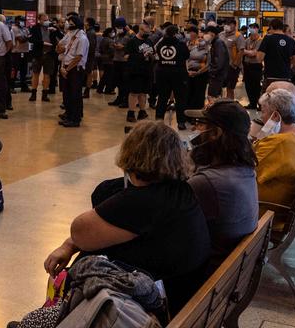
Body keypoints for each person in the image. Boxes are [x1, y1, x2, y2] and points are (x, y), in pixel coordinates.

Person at [42, 121, 211, 313]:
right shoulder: (180, 192)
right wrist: (69, 245)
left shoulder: (144, 202)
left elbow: (80, 232)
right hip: (183, 299)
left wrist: (70, 244)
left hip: (152, 313)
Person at [185, 100, 259, 263]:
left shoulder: (207, 183)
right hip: (228, 267)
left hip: (204, 274)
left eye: (200, 124)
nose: (194, 129)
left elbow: (172, 221)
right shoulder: (245, 168)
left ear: (216, 133)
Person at [252, 87, 295, 207]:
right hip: (283, 207)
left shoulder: (276, 143)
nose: (262, 117)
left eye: (263, 112)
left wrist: (260, 137)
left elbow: (246, 170)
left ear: (276, 116)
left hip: (264, 211)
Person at [152, 25, 190, 130]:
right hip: (178, 74)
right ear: (176, 34)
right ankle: (181, 122)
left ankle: (158, 120)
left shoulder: (160, 44)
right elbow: (187, 55)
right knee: (180, 99)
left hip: (162, 74)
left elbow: (157, 55)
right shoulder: (180, 44)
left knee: (162, 98)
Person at [58, 15, 90, 128]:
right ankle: (69, 115)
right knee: (67, 94)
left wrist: (67, 69)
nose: (69, 26)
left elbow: (78, 57)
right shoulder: (71, 35)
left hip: (75, 69)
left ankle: (75, 119)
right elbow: (63, 51)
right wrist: (63, 67)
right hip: (66, 67)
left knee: (75, 94)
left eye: (71, 24)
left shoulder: (82, 38)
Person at [123, 20, 153, 123]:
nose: (146, 34)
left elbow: (152, 52)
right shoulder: (132, 41)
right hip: (135, 71)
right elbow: (126, 56)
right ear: (140, 30)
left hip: (146, 71)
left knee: (143, 93)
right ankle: (131, 113)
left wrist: (152, 56)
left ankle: (142, 111)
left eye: (148, 32)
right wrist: (141, 56)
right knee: (134, 92)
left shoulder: (149, 41)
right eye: (145, 32)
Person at [256, 19, 295, 87]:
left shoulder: (267, 39)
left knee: (270, 97)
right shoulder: (291, 41)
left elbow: (259, 59)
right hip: (286, 77)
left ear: (271, 27)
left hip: (270, 76)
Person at [28, 13, 55, 102]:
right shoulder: (35, 28)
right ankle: (33, 93)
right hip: (38, 54)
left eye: (47, 20)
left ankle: (45, 94)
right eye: (44, 20)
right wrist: (42, 43)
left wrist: (56, 30)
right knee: (35, 73)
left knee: (47, 75)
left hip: (49, 54)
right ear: (39, 20)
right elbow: (31, 39)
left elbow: (59, 37)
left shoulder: (52, 29)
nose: (46, 21)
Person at [239, 25, 264, 107]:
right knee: (248, 85)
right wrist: (247, 52)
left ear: (257, 30)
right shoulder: (247, 40)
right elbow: (241, 51)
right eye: (251, 28)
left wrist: (245, 51)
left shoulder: (260, 41)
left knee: (256, 85)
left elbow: (254, 53)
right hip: (247, 66)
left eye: (254, 28)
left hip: (256, 66)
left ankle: (258, 102)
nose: (252, 30)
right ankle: (252, 103)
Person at [11, 17, 31, 93]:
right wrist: (28, 37)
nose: (22, 22)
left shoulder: (25, 29)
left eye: (23, 21)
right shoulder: (14, 28)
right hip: (16, 52)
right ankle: (11, 86)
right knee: (14, 70)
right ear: (16, 21)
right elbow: (21, 40)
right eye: (21, 21)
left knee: (24, 70)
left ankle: (23, 86)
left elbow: (28, 36)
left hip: (25, 51)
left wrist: (28, 36)